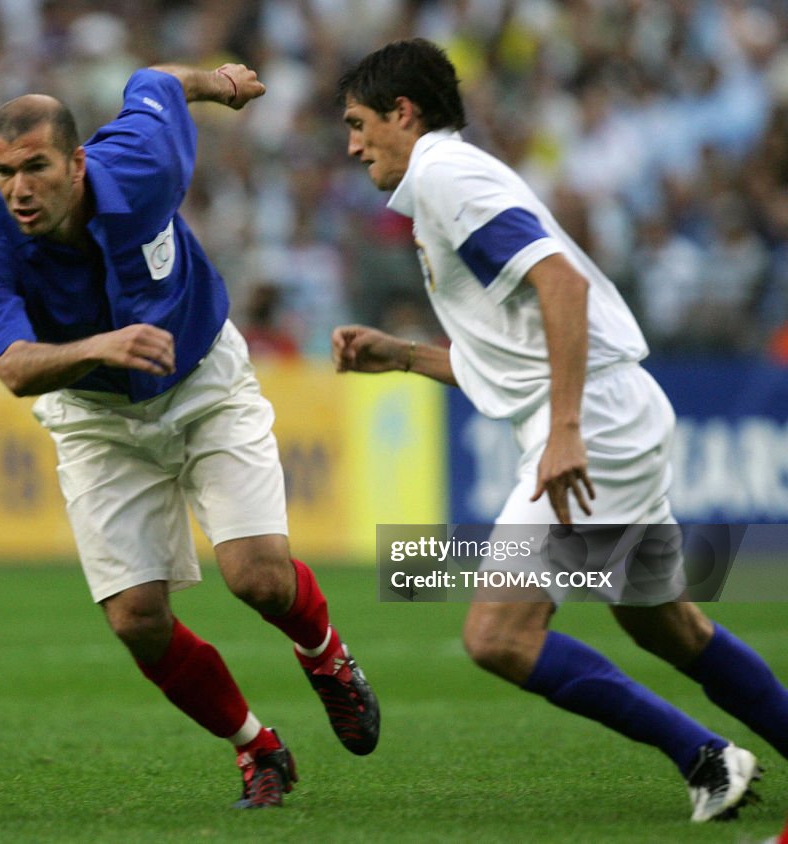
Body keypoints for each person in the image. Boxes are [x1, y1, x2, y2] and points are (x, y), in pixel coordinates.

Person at [331, 38, 788, 823]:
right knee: (665, 625)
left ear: (404, 114)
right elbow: (516, 355)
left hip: (595, 424)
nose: (351, 144)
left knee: (498, 634)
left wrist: (567, 429)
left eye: (359, 122)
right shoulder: (447, 182)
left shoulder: (445, 176)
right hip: (607, 414)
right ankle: (715, 755)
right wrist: (404, 355)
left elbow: (561, 285)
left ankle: (705, 753)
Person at [0, 60, 379, 809]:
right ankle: (258, 749)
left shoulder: (146, 160)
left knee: (258, 577)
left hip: (205, 383)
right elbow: (16, 369)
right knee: (136, 620)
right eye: (3, 172)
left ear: (77, 162)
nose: (18, 189)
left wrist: (215, 80)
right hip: (95, 419)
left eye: (35, 168)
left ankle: (328, 658)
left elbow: (154, 81)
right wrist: (100, 348)